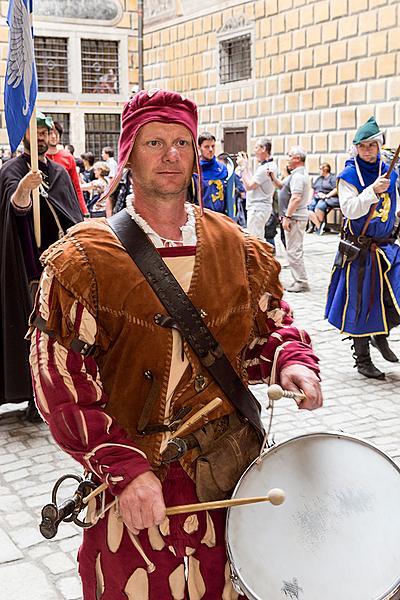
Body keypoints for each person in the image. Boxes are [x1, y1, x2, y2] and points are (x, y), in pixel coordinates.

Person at [29, 90, 322, 598]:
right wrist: (121, 467)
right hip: (135, 485)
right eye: (155, 142)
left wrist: (287, 360)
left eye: (182, 142)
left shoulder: (238, 246)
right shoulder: (83, 261)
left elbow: (267, 327)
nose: (171, 155)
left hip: (228, 478)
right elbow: (59, 383)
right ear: (128, 154)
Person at [0, 111, 83, 421]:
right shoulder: (12, 170)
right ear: (25, 137)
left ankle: (64, 389)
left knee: (62, 335)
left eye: (46, 131)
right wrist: (24, 189)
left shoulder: (59, 172)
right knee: (33, 335)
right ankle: (34, 397)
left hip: (60, 268)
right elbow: (14, 210)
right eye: (36, 132)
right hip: (28, 269)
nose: (43, 136)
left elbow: (72, 213)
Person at [325, 116, 400, 380]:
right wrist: (371, 191)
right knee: (359, 305)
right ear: (356, 148)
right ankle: (363, 359)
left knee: (396, 299)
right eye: (362, 146)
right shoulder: (348, 176)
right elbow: (349, 209)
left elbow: (394, 202)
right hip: (362, 252)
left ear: (380, 146)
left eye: (372, 145)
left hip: (388, 247)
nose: (367, 150)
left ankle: (380, 333)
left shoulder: (390, 170)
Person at [269, 146, 311, 292]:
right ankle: (299, 280)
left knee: (294, 251)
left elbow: (296, 197)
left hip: (295, 218)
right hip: (294, 217)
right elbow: (282, 187)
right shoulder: (295, 175)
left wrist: (288, 216)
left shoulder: (298, 176)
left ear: (297, 158)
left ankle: (301, 282)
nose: (287, 158)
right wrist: (273, 178)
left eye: (289, 155)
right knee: (293, 249)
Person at [236, 137, 278, 241]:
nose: (254, 151)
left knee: (255, 241)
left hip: (258, 208)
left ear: (263, 149)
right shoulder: (268, 166)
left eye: (256, 147)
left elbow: (249, 186)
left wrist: (242, 167)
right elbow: (252, 180)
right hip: (261, 208)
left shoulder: (265, 168)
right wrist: (246, 165)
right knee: (258, 238)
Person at [46, 122, 88, 216]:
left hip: (65, 206)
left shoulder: (68, 157)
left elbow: (76, 186)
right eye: (50, 133)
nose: (53, 136)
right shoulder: (40, 157)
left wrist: (84, 211)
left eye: (56, 134)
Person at [195, 131, 228, 213]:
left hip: (220, 216)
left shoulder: (222, 169)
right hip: (201, 216)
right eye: (206, 147)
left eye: (213, 146)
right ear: (199, 148)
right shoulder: (194, 170)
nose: (210, 150)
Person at [307, 163, 338, 234]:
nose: (319, 171)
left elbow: (336, 189)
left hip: (328, 198)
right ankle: (319, 226)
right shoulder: (319, 178)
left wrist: (326, 196)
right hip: (317, 197)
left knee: (319, 206)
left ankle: (319, 226)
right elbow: (313, 188)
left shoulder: (332, 178)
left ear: (325, 170)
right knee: (309, 206)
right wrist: (309, 199)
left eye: (320, 169)